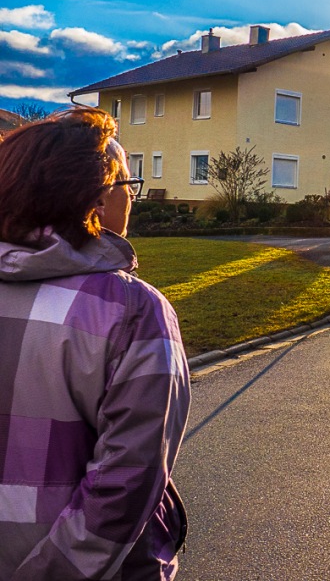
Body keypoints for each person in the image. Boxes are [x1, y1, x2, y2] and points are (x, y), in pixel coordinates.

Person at [0, 107, 190, 580]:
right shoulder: (132, 312)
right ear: (98, 198)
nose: (133, 199)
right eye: (128, 185)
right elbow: (127, 482)